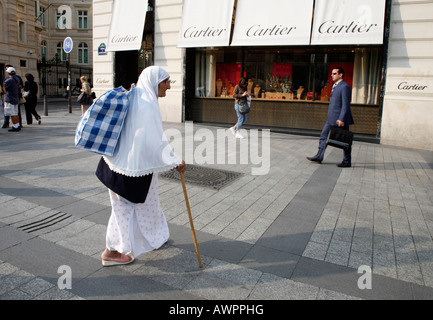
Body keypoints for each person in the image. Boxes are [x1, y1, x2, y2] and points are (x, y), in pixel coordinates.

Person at [95, 66, 186, 266]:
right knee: (124, 210)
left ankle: (154, 236)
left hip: (121, 165)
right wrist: (175, 161)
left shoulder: (136, 97)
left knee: (143, 204)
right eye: (166, 81)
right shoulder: (146, 104)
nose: (169, 86)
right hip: (127, 170)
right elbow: (154, 142)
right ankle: (111, 251)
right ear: (155, 82)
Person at [307, 67, 354, 167]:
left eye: (334, 73)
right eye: (332, 74)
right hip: (331, 118)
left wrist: (341, 118)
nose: (332, 75)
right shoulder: (335, 86)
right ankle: (319, 156)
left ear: (340, 75)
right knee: (323, 136)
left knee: (345, 140)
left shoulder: (344, 86)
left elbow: (345, 104)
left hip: (339, 119)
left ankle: (347, 161)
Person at [2, 64, 23, 129]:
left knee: (12, 114)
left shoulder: (9, 80)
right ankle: (17, 125)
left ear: (8, 73)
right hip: (15, 98)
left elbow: (4, 89)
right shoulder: (17, 79)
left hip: (10, 99)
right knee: (15, 113)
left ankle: (15, 126)